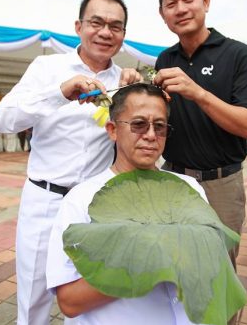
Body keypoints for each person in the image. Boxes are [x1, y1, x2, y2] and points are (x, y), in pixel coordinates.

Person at [0, 0, 141, 325]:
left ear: (123, 35)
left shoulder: (124, 81)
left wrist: (136, 92)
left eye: (115, 27)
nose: (105, 32)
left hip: (97, 206)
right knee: (33, 295)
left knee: (89, 296)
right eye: (96, 23)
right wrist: (60, 92)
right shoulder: (47, 67)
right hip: (45, 199)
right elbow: (2, 120)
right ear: (79, 26)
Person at [47, 83, 213, 324]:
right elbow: (70, 302)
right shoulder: (81, 200)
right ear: (113, 130)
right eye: (138, 124)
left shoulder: (190, 189)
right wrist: (148, 264)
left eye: (160, 126)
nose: (150, 135)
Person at [154, 0, 247, 269]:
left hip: (221, 184)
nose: (180, 9)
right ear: (162, 13)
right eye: (170, 3)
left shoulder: (238, 55)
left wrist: (197, 93)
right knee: (173, 265)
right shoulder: (165, 60)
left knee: (219, 271)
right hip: (173, 178)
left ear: (205, 1)